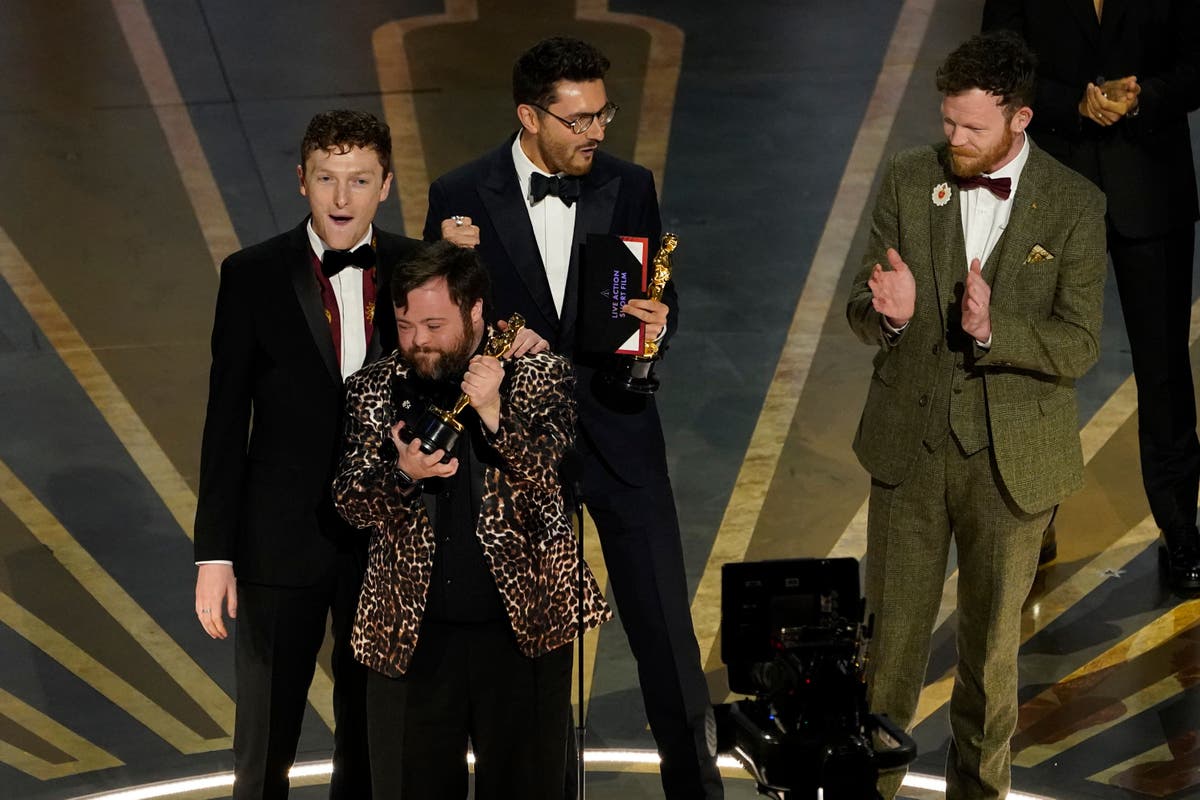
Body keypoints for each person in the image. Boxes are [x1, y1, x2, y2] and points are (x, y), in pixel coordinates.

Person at [424, 35, 723, 798]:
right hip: (519, 452)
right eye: (579, 118)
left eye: (603, 114)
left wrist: (660, 322)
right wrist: (483, 328)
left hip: (621, 435)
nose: (596, 132)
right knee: (535, 643)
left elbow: (657, 290)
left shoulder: (629, 184)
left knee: (665, 637)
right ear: (529, 115)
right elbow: (434, 328)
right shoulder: (461, 195)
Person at [846, 32, 1106, 799]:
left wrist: (993, 331)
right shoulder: (906, 180)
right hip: (910, 449)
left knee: (991, 663)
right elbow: (864, 309)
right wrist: (887, 317)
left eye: (973, 128)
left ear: (1019, 118)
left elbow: (1081, 343)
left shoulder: (1074, 204)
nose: (954, 140)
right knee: (888, 653)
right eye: (949, 123)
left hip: (1013, 461)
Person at [192, 109, 426, 799]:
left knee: (373, 741)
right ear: (302, 181)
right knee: (264, 744)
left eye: (359, 180)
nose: (342, 199)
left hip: (385, 540)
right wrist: (215, 553)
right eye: (327, 179)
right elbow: (225, 419)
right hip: (278, 546)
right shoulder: (252, 275)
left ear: (386, 184)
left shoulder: (422, 269)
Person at [332, 240, 610, 798]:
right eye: (406, 325)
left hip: (524, 633)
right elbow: (351, 502)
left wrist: (494, 412)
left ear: (476, 309)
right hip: (411, 637)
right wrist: (404, 474)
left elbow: (550, 476)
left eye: (435, 324)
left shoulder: (538, 373)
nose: (418, 341)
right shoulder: (373, 388)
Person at [982, 0, 1200, 592]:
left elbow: (1198, 61)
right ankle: (1033, 526)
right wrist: (1071, 102)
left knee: (1164, 372)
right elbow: (998, 66)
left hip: (1151, 193)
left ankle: (1182, 532)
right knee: (1036, 367)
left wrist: (1144, 96)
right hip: (1052, 191)